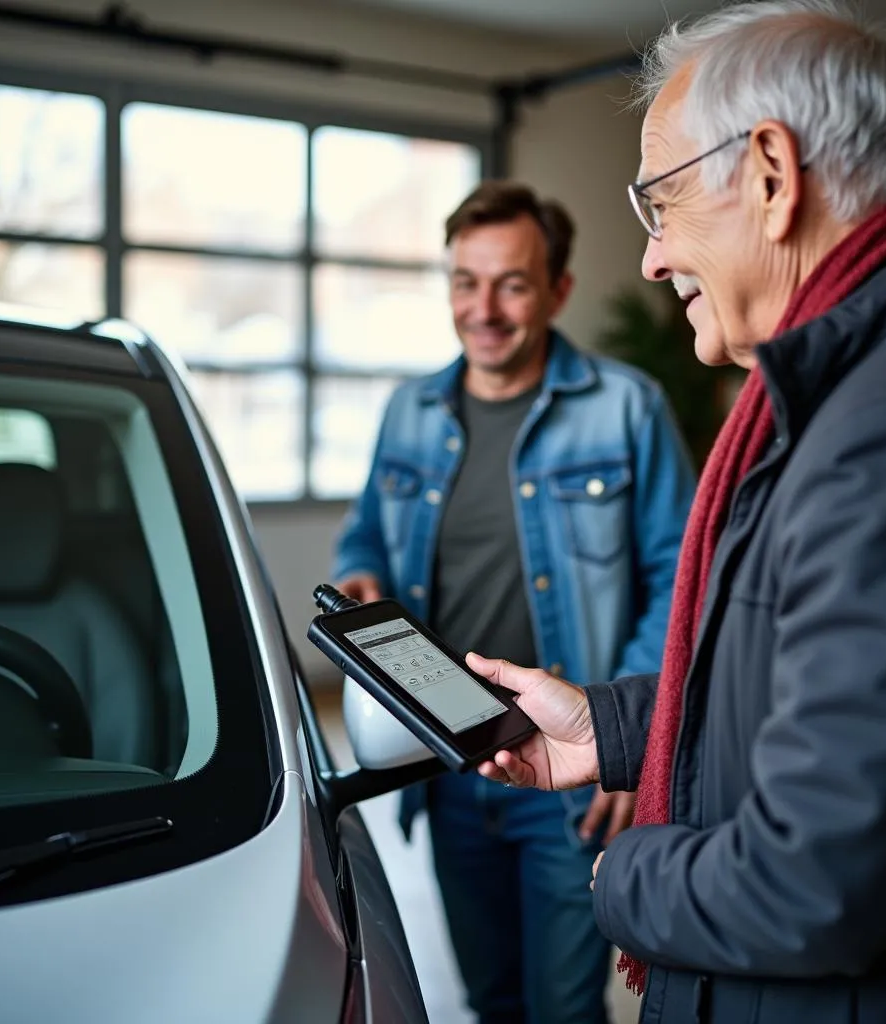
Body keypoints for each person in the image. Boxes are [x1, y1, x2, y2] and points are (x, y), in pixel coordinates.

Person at [467, 2, 886, 1022]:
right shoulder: (850, 390)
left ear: (771, 177)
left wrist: (623, 879)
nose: (649, 259)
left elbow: (818, 877)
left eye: (663, 201)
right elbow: (789, 679)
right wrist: (605, 730)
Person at [332, 180, 696, 1024]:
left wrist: (623, 743)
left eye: (513, 283)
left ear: (559, 289)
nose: (483, 308)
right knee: (490, 1000)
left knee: (564, 1008)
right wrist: (359, 579)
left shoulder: (625, 408)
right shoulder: (409, 412)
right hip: (448, 763)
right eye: (466, 281)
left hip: (570, 774)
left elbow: (680, 580)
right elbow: (365, 540)